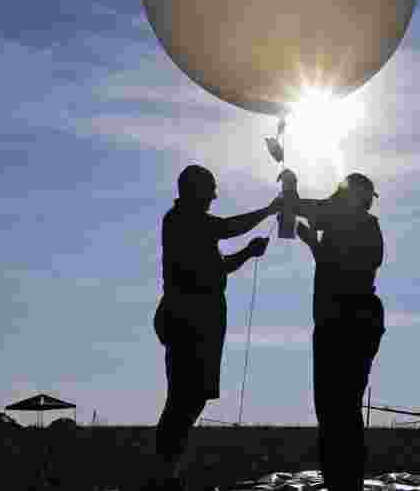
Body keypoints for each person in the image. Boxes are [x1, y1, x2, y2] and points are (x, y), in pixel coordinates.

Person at [150, 165, 278, 489]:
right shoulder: (182, 220)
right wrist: (269, 210)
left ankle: (167, 472)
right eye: (211, 189)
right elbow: (228, 227)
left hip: (200, 320)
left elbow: (218, 267)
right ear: (195, 190)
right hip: (189, 320)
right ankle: (163, 474)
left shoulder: (190, 224)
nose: (215, 196)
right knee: (184, 398)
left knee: (191, 398)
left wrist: (248, 253)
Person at [292, 171, 385, 491]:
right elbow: (340, 262)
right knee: (341, 409)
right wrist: (313, 242)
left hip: (343, 323)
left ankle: (344, 483)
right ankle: (344, 482)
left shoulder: (356, 222)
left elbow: (298, 207)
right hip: (353, 322)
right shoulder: (361, 223)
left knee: (337, 410)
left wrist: (291, 188)